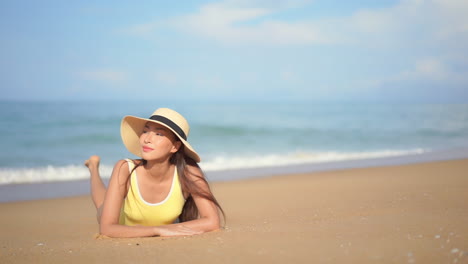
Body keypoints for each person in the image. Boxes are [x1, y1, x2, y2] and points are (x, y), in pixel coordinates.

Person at [84, 108, 224, 238]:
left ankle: (93, 166)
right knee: (102, 204)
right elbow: (107, 228)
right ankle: (93, 168)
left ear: (175, 146)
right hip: (122, 218)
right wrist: (158, 230)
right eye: (145, 131)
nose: (147, 139)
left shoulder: (189, 171)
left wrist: (169, 228)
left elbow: (212, 221)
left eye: (159, 134)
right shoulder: (125, 168)